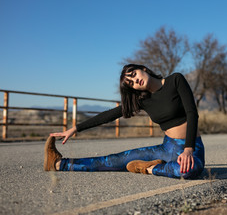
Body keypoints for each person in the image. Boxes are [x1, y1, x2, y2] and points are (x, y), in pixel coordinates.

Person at [44, 64, 205, 179]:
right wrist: (75, 129)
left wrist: (188, 149)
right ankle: (58, 164)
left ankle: (150, 168)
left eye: (134, 75)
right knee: (112, 161)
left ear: (143, 69)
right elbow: (109, 115)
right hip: (166, 147)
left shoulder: (175, 80)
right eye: (132, 84)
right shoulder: (143, 100)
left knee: (188, 170)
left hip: (192, 146)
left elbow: (192, 113)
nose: (136, 81)